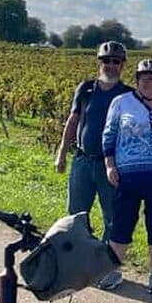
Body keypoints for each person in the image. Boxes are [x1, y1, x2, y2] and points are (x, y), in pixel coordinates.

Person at [99, 59, 152, 294]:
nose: (150, 83)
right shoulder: (121, 102)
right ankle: (114, 270)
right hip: (128, 176)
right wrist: (109, 165)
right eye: (144, 79)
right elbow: (109, 135)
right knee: (122, 223)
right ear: (136, 81)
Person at [55, 41, 132, 241]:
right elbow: (73, 121)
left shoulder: (128, 95)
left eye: (116, 61)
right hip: (83, 161)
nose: (111, 65)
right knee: (76, 215)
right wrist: (62, 153)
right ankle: (80, 258)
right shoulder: (86, 89)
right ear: (99, 62)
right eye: (106, 60)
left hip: (112, 165)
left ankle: (106, 264)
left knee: (113, 217)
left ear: (122, 65)